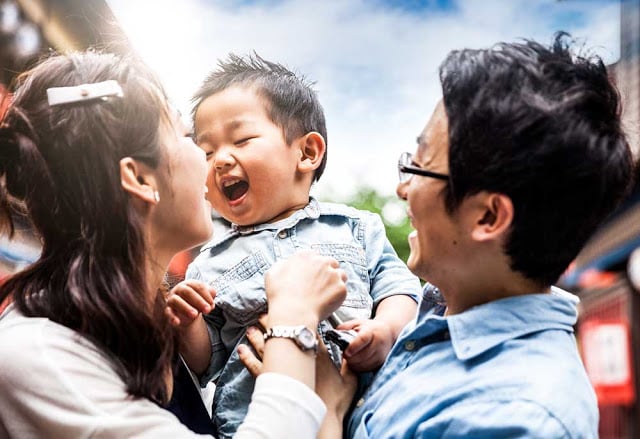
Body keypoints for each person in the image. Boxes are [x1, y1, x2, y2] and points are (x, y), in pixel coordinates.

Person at [0, 51, 356, 438]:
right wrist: (293, 321)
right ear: (140, 179)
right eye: (191, 140)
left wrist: (330, 412)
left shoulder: (157, 326)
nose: (214, 162)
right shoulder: (38, 355)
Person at [347, 34, 633, 438]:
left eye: (421, 164)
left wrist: (319, 399)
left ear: (488, 216)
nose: (403, 187)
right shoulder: (435, 317)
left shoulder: (515, 413)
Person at [167, 53, 421, 437]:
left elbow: (400, 289)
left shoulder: (355, 228)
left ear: (307, 153)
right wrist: (189, 326)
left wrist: (385, 330)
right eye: (206, 151)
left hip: (371, 413)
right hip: (257, 422)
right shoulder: (208, 265)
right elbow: (207, 363)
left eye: (242, 139)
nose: (220, 160)